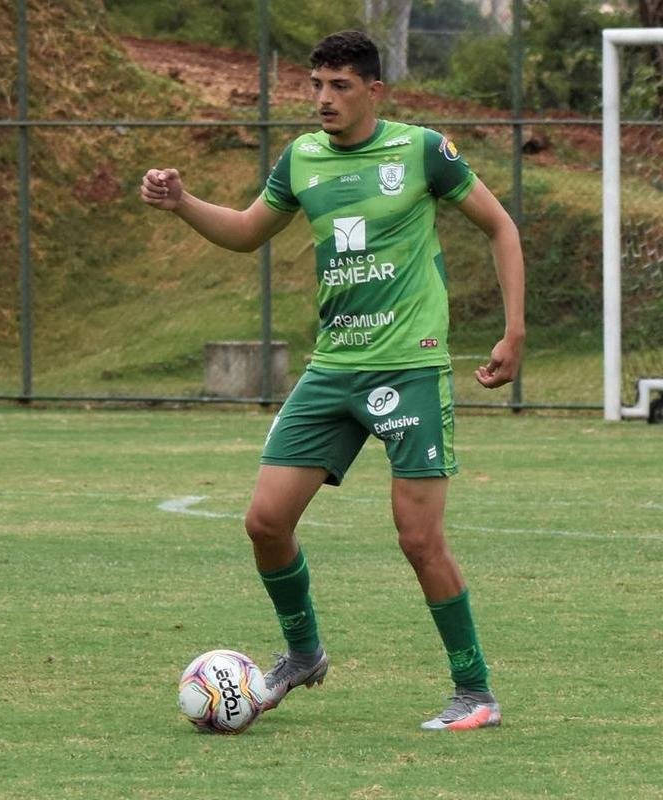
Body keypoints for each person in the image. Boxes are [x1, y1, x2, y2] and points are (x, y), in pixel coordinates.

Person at [141, 30, 525, 730]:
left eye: (339, 86)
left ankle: (475, 691)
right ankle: (302, 651)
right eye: (316, 84)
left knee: (418, 541)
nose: (323, 98)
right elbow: (248, 230)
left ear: (375, 91)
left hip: (409, 366)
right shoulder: (303, 159)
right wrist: (185, 203)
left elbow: (499, 226)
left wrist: (514, 330)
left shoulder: (421, 151)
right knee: (264, 522)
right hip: (333, 370)